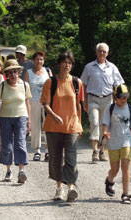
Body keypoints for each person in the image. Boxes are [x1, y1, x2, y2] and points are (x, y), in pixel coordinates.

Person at [40, 51, 84, 202]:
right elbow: (45, 104)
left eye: (70, 63)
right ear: (59, 64)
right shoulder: (50, 82)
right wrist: (54, 115)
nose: (67, 65)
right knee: (56, 159)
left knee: (71, 159)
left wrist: (80, 125)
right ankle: (59, 189)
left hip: (72, 126)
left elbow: (78, 105)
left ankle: (71, 188)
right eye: (65, 62)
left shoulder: (77, 83)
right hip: (53, 127)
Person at [80, 42, 124, 162]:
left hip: (108, 99)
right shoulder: (89, 67)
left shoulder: (112, 68)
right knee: (94, 122)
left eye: (104, 51)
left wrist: (119, 98)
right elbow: (83, 85)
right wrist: (84, 102)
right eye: (100, 51)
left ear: (107, 53)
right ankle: (94, 151)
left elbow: (119, 84)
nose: (102, 53)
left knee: (105, 126)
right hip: (93, 99)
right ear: (96, 52)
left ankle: (102, 150)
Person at [0, 59, 32, 184]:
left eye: (16, 71)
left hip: (21, 117)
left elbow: (27, 103)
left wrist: (29, 120)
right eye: (11, 72)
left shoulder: (25, 85)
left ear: (19, 72)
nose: (14, 74)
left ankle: (21, 171)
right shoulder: (2, 86)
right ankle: (9, 170)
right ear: (7, 74)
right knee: (7, 145)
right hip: (5, 118)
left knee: (20, 143)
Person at [102, 84, 131, 204]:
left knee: (125, 166)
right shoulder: (110, 108)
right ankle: (109, 180)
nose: (123, 99)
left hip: (126, 140)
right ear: (115, 97)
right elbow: (105, 123)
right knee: (115, 169)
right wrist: (105, 132)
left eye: (125, 97)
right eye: (121, 97)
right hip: (113, 141)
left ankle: (125, 194)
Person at [24, 51, 52, 162]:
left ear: (43, 61)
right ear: (33, 61)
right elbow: (25, 89)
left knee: (48, 126)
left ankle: (48, 150)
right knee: (35, 126)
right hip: (33, 101)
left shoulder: (47, 71)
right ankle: (37, 150)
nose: (39, 61)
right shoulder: (28, 72)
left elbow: (52, 86)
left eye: (41, 59)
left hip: (46, 102)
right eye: (37, 59)